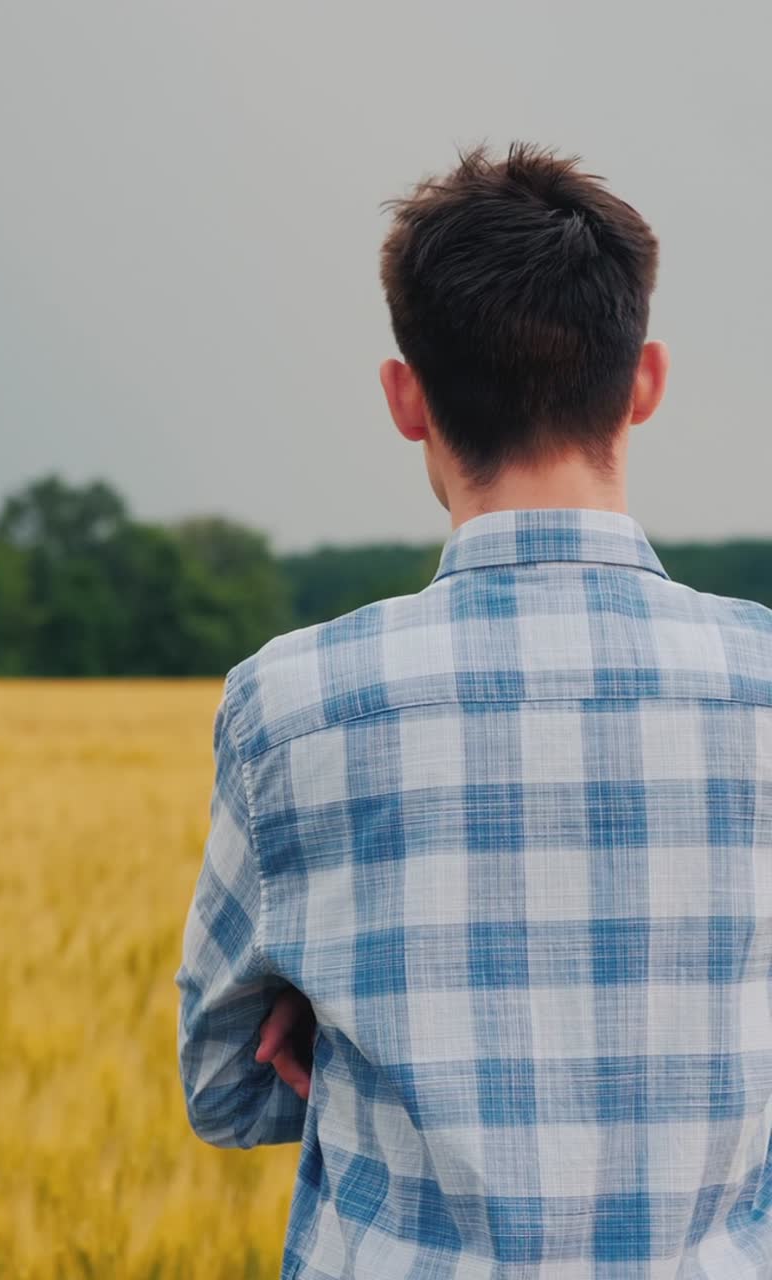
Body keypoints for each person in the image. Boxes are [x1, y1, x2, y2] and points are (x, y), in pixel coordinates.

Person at [174, 141, 772, 1277]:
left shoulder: (293, 702)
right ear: (642, 382)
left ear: (406, 398)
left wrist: (349, 1020)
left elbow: (223, 1082)